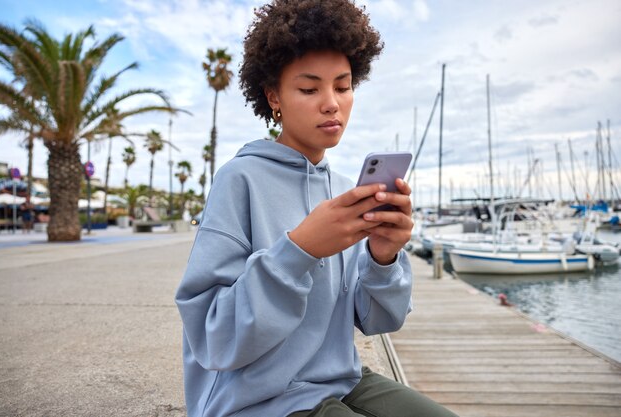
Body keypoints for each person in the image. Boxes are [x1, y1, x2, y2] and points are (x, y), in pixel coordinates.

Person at [175, 1, 459, 416]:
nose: (332, 103)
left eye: (343, 87)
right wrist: (301, 250)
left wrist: (384, 257)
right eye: (309, 89)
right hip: (256, 398)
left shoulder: (345, 190)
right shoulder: (239, 179)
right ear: (273, 96)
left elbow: (378, 320)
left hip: (340, 378)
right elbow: (213, 338)